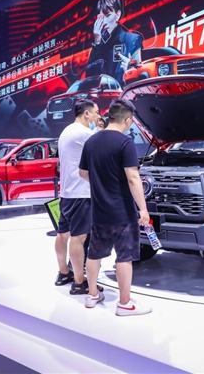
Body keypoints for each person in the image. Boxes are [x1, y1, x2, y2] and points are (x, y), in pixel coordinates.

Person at [79, 99, 151, 316]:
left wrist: (100, 183)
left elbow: (82, 173)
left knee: (94, 254)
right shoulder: (125, 143)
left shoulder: (91, 142)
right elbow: (133, 178)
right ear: (127, 119)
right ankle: (125, 303)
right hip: (122, 212)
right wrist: (143, 209)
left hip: (99, 211)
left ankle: (92, 295)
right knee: (124, 257)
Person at [54, 99, 105, 295]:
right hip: (81, 193)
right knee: (79, 238)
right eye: (96, 112)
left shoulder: (65, 131)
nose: (98, 116)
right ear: (86, 114)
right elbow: (103, 146)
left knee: (62, 234)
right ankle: (79, 282)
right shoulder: (84, 134)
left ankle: (63, 272)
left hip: (66, 193)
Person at [87, 0, 143, 85]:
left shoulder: (132, 40)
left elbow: (141, 77)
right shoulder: (99, 46)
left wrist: (130, 70)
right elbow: (89, 79)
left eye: (108, 15)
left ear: (118, 15)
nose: (104, 21)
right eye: (101, 17)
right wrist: (96, 42)